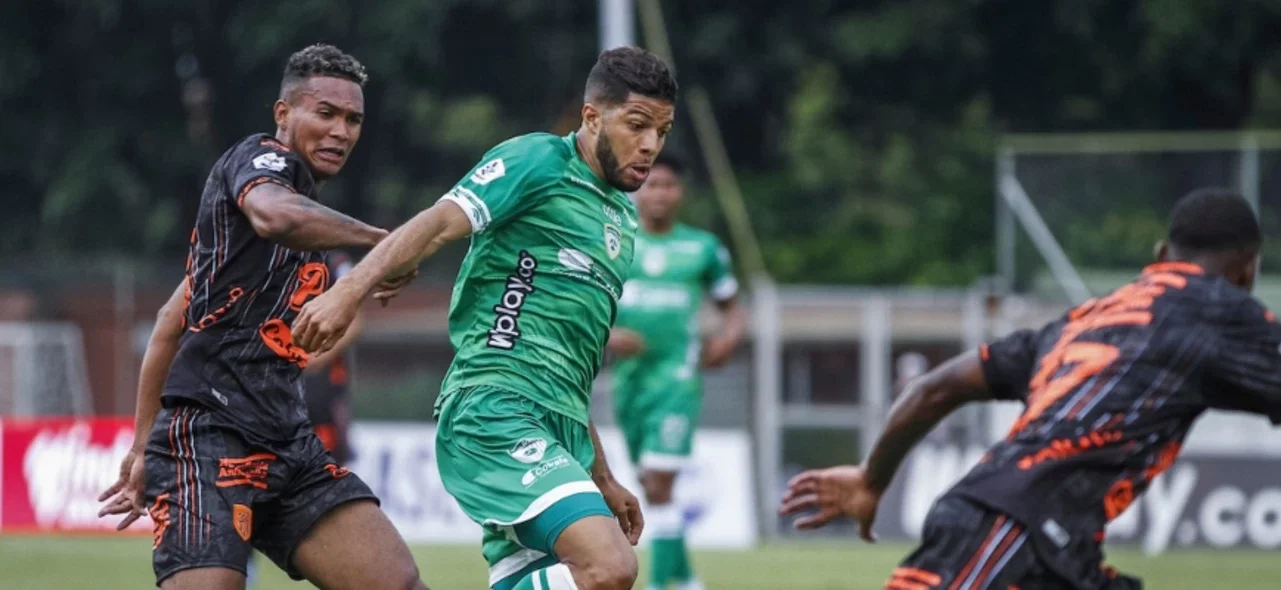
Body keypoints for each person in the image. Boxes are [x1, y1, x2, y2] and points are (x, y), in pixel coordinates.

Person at [291, 46, 678, 590]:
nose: (650, 146)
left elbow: (572, 360)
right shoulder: (540, 161)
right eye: (637, 125)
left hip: (559, 426)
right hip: (493, 409)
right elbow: (437, 222)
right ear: (593, 116)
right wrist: (348, 291)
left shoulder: (619, 217)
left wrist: (602, 474)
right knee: (610, 568)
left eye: (661, 132)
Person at [780, 188, 1281, 589]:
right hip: (1007, 530)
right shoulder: (1224, 312)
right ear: (1247, 272)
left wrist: (872, 477)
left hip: (1039, 538)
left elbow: (933, 388)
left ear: (1160, 255)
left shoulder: (1082, 321)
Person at [97, 44, 425, 590]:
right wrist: (382, 244)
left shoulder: (296, 230)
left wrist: (136, 446)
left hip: (286, 442)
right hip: (206, 437)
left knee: (397, 582)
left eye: (353, 119)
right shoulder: (259, 162)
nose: (341, 131)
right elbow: (274, 214)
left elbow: (166, 323)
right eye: (325, 113)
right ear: (282, 115)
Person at [606, 155, 745, 590]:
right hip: (630, 382)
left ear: (680, 193)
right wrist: (609, 333)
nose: (660, 193)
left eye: (669, 185)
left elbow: (732, 307)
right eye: (652, 184)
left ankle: (659, 583)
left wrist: (728, 339)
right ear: (637, 191)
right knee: (650, 485)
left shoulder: (702, 248)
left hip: (677, 379)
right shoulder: (616, 242)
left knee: (661, 482)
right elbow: (585, 302)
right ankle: (685, 581)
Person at [304, 249, 361, 464]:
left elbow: (355, 324)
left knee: (329, 463)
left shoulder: (336, 263)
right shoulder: (278, 259)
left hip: (324, 387)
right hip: (286, 388)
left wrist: (318, 356)